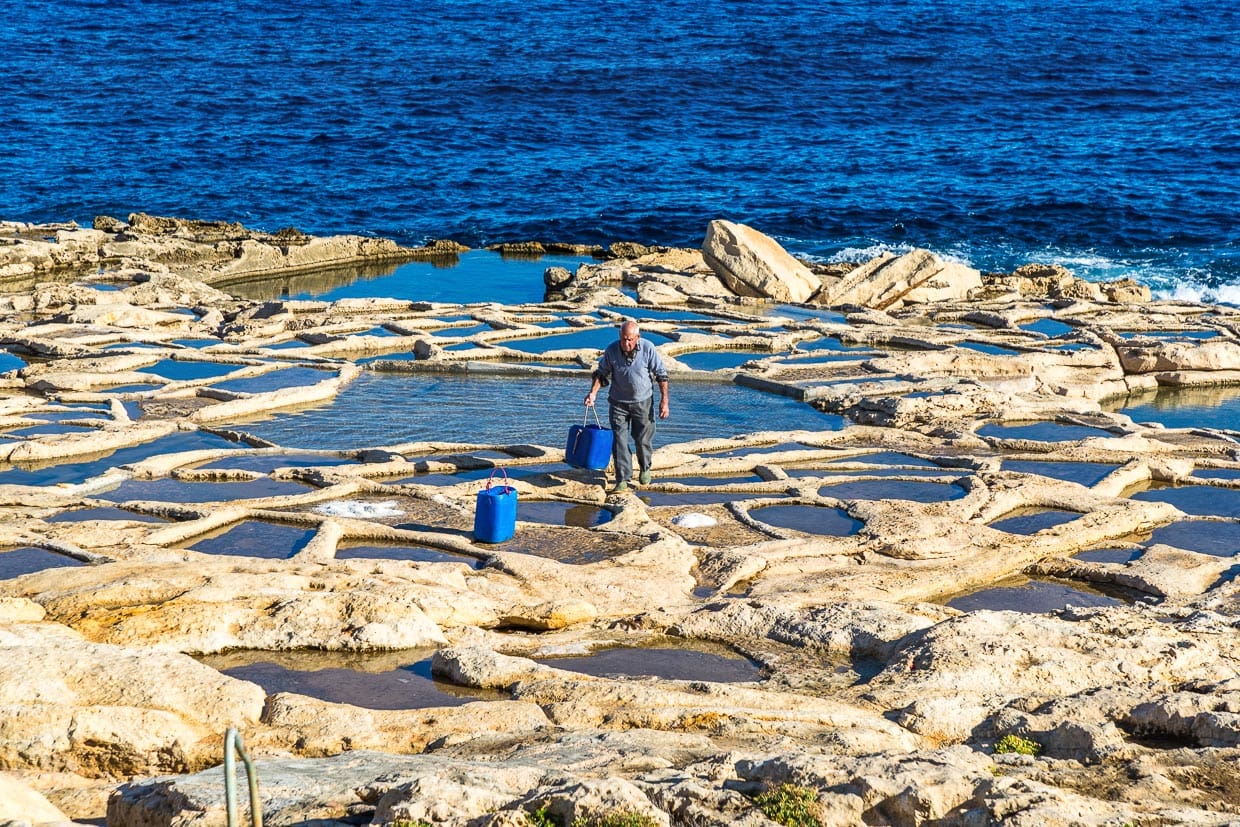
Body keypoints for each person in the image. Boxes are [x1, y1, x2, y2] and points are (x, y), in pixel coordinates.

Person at [584, 320, 670, 494]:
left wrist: (664, 401)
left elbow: (661, 375)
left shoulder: (648, 348)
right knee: (619, 441)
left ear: (638, 337)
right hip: (618, 403)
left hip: (643, 402)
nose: (626, 343)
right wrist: (592, 393)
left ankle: (645, 467)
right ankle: (622, 478)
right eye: (623, 339)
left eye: (630, 339)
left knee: (642, 439)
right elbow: (601, 373)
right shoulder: (611, 350)